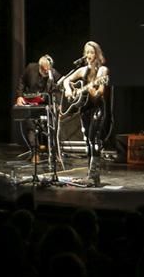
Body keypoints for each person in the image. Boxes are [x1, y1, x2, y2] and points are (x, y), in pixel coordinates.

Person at [66, 41, 110, 185]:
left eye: (92, 52)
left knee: (94, 140)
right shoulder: (82, 70)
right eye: (87, 52)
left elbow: (100, 92)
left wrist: (93, 92)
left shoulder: (102, 71)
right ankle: (90, 175)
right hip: (85, 109)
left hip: (97, 107)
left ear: (97, 54)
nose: (89, 55)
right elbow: (66, 80)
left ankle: (94, 176)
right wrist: (69, 90)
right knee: (87, 141)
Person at [15, 55, 60, 159]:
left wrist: (59, 104)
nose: (46, 72)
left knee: (53, 125)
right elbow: (22, 81)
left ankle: (54, 152)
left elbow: (58, 88)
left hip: (46, 103)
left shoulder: (53, 73)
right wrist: (19, 96)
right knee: (31, 126)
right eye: (44, 70)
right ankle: (35, 152)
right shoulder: (31, 68)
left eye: (48, 70)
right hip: (31, 102)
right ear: (40, 67)